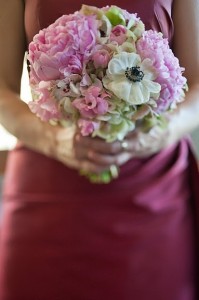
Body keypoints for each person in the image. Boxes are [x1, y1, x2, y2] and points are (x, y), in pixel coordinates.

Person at [0, 0, 199, 299]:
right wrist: (55, 141)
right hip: (48, 183)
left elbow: (197, 86)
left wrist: (160, 133)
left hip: (151, 189)